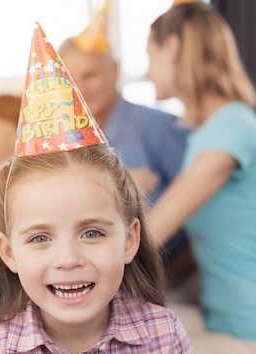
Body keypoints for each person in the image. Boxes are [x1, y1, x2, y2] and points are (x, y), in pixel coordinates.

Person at [0, 22, 207, 354]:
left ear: (130, 240)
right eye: (39, 238)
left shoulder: (164, 336)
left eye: (91, 232)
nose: (68, 258)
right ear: (8, 251)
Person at [145, 2, 256, 354]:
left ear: (172, 49)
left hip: (248, 341)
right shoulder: (210, 129)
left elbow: (151, 233)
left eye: (150, 56)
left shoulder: (232, 127)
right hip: (224, 317)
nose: (147, 71)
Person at [57, 11, 193, 274]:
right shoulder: (65, 140)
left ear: (114, 71)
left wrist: (165, 283)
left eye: (90, 75)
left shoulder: (158, 126)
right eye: (71, 79)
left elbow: (202, 215)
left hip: (165, 278)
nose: (81, 88)